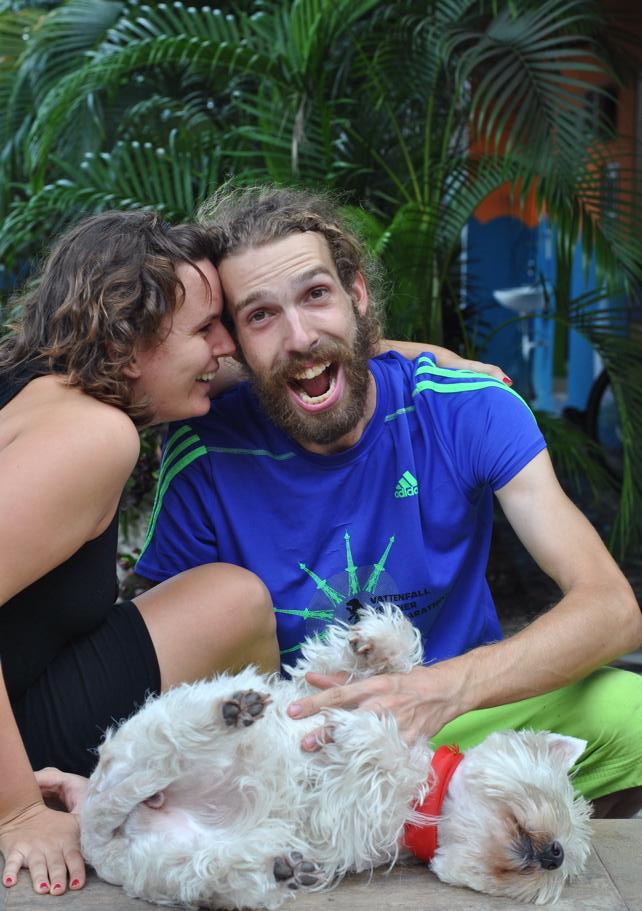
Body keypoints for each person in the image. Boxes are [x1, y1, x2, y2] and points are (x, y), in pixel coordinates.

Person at [135, 185, 642, 820]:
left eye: (316, 295)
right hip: (303, 756)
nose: (300, 337)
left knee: (633, 715)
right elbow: (164, 668)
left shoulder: (463, 408)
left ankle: (505, 836)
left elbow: (612, 609)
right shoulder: (205, 452)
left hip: (464, 717)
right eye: (260, 316)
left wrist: (439, 690)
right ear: (233, 342)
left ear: (357, 295)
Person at [0, 211, 282, 898]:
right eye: (206, 328)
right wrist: (18, 813)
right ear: (127, 346)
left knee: (227, 597)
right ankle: (263, 801)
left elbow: (252, 363)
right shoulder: (94, 434)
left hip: (26, 688)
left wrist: (411, 358)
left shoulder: (37, 388)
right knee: (235, 604)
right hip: (16, 747)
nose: (226, 347)